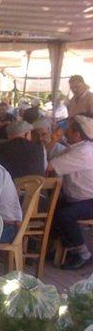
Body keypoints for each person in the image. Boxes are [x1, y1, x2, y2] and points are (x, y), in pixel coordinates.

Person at [47, 116, 93, 270]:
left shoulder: (83, 151)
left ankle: (83, 253)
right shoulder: (76, 148)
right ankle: (58, 249)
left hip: (89, 200)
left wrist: (54, 139)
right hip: (77, 198)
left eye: (69, 129)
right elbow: (49, 158)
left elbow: (49, 167)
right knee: (50, 211)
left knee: (64, 216)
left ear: (77, 135)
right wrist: (53, 141)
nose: (65, 131)